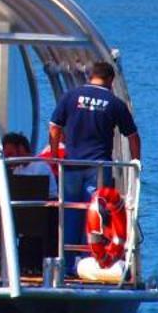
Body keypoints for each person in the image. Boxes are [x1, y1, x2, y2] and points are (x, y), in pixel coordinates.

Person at [47, 62, 140, 213]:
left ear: (90, 77)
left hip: (71, 166)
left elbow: (54, 127)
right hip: (99, 167)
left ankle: (70, 236)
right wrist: (136, 163)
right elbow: (133, 137)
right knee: (96, 213)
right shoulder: (115, 103)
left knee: (70, 212)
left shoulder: (70, 96)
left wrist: (54, 156)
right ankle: (92, 236)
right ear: (110, 80)